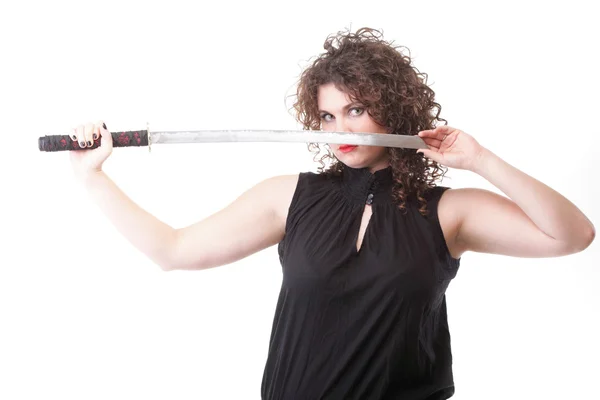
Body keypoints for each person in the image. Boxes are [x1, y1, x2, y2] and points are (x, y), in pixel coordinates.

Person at [68, 28, 595, 399]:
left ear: (394, 110)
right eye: (326, 115)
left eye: (356, 110)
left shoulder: (449, 212)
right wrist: (91, 176)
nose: (339, 126)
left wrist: (480, 159)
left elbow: (571, 236)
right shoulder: (289, 196)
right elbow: (173, 251)